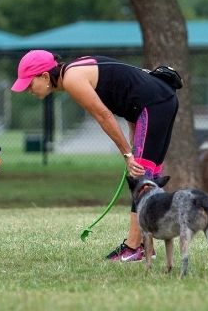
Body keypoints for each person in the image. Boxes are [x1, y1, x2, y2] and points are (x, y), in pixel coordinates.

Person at [11, 49, 179, 262]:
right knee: (150, 175)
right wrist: (133, 132)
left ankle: (134, 247)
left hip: (154, 104)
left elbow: (104, 116)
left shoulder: (73, 79)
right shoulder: (76, 70)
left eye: (29, 83)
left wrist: (127, 154)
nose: (28, 90)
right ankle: (145, 246)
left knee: (142, 177)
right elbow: (126, 89)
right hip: (161, 100)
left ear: (45, 76)